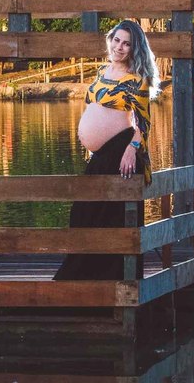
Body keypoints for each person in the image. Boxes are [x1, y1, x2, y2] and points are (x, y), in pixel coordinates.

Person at [54, 20, 159, 282]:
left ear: (134, 49)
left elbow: (144, 123)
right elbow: (94, 109)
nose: (120, 47)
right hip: (102, 155)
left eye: (126, 44)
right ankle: (84, 277)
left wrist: (131, 149)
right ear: (110, 39)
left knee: (109, 216)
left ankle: (112, 279)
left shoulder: (136, 81)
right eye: (117, 40)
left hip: (120, 151)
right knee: (82, 212)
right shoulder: (103, 72)